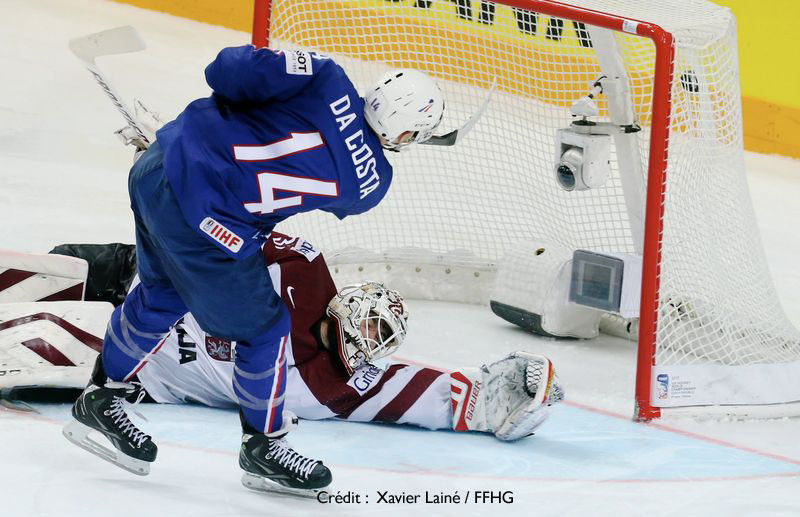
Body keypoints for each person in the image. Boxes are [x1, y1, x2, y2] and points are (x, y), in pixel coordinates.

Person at [63, 44, 446, 497]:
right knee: (265, 330)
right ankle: (265, 446)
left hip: (157, 166)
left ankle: (101, 396)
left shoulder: (324, 76)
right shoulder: (373, 183)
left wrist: (205, 132)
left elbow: (224, 69)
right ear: (405, 134)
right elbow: (297, 174)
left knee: (164, 295)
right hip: (205, 221)